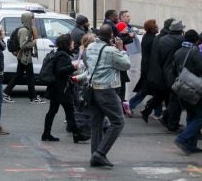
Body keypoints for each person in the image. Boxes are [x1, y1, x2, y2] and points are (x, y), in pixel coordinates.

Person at [85, 24, 131, 168]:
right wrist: (120, 48)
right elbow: (126, 65)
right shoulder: (111, 51)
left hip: (93, 88)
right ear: (111, 36)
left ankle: (95, 155)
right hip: (107, 89)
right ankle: (100, 153)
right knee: (118, 121)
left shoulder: (90, 47)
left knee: (97, 123)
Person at [172, 30, 202, 154]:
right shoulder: (195, 51)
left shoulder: (178, 51)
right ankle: (183, 139)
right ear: (196, 40)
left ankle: (191, 145)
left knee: (191, 115)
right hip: (195, 88)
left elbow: (174, 69)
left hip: (182, 87)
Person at [42, 34, 88, 143]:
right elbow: (60, 70)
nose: (72, 43)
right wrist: (72, 67)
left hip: (56, 88)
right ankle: (76, 134)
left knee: (54, 111)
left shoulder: (59, 53)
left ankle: (46, 133)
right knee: (69, 111)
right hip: (61, 88)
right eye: (71, 42)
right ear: (66, 44)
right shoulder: (62, 55)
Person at [3, 11, 45, 104]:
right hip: (24, 57)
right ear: (28, 19)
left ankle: (6, 92)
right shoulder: (24, 30)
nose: (33, 20)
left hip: (24, 56)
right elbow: (23, 45)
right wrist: (33, 42)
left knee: (19, 75)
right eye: (32, 18)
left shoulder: (26, 29)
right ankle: (33, 98)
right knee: (30, 77)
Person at [128, 20, 159, 118]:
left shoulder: (147, 37)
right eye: (156, 26)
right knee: (149, 90)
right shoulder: (152, 39)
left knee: (153, 91)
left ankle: (158, 112)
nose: (157, 27)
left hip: (147, 67)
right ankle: (130, 105)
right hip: (149, 68)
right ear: (152, 28)